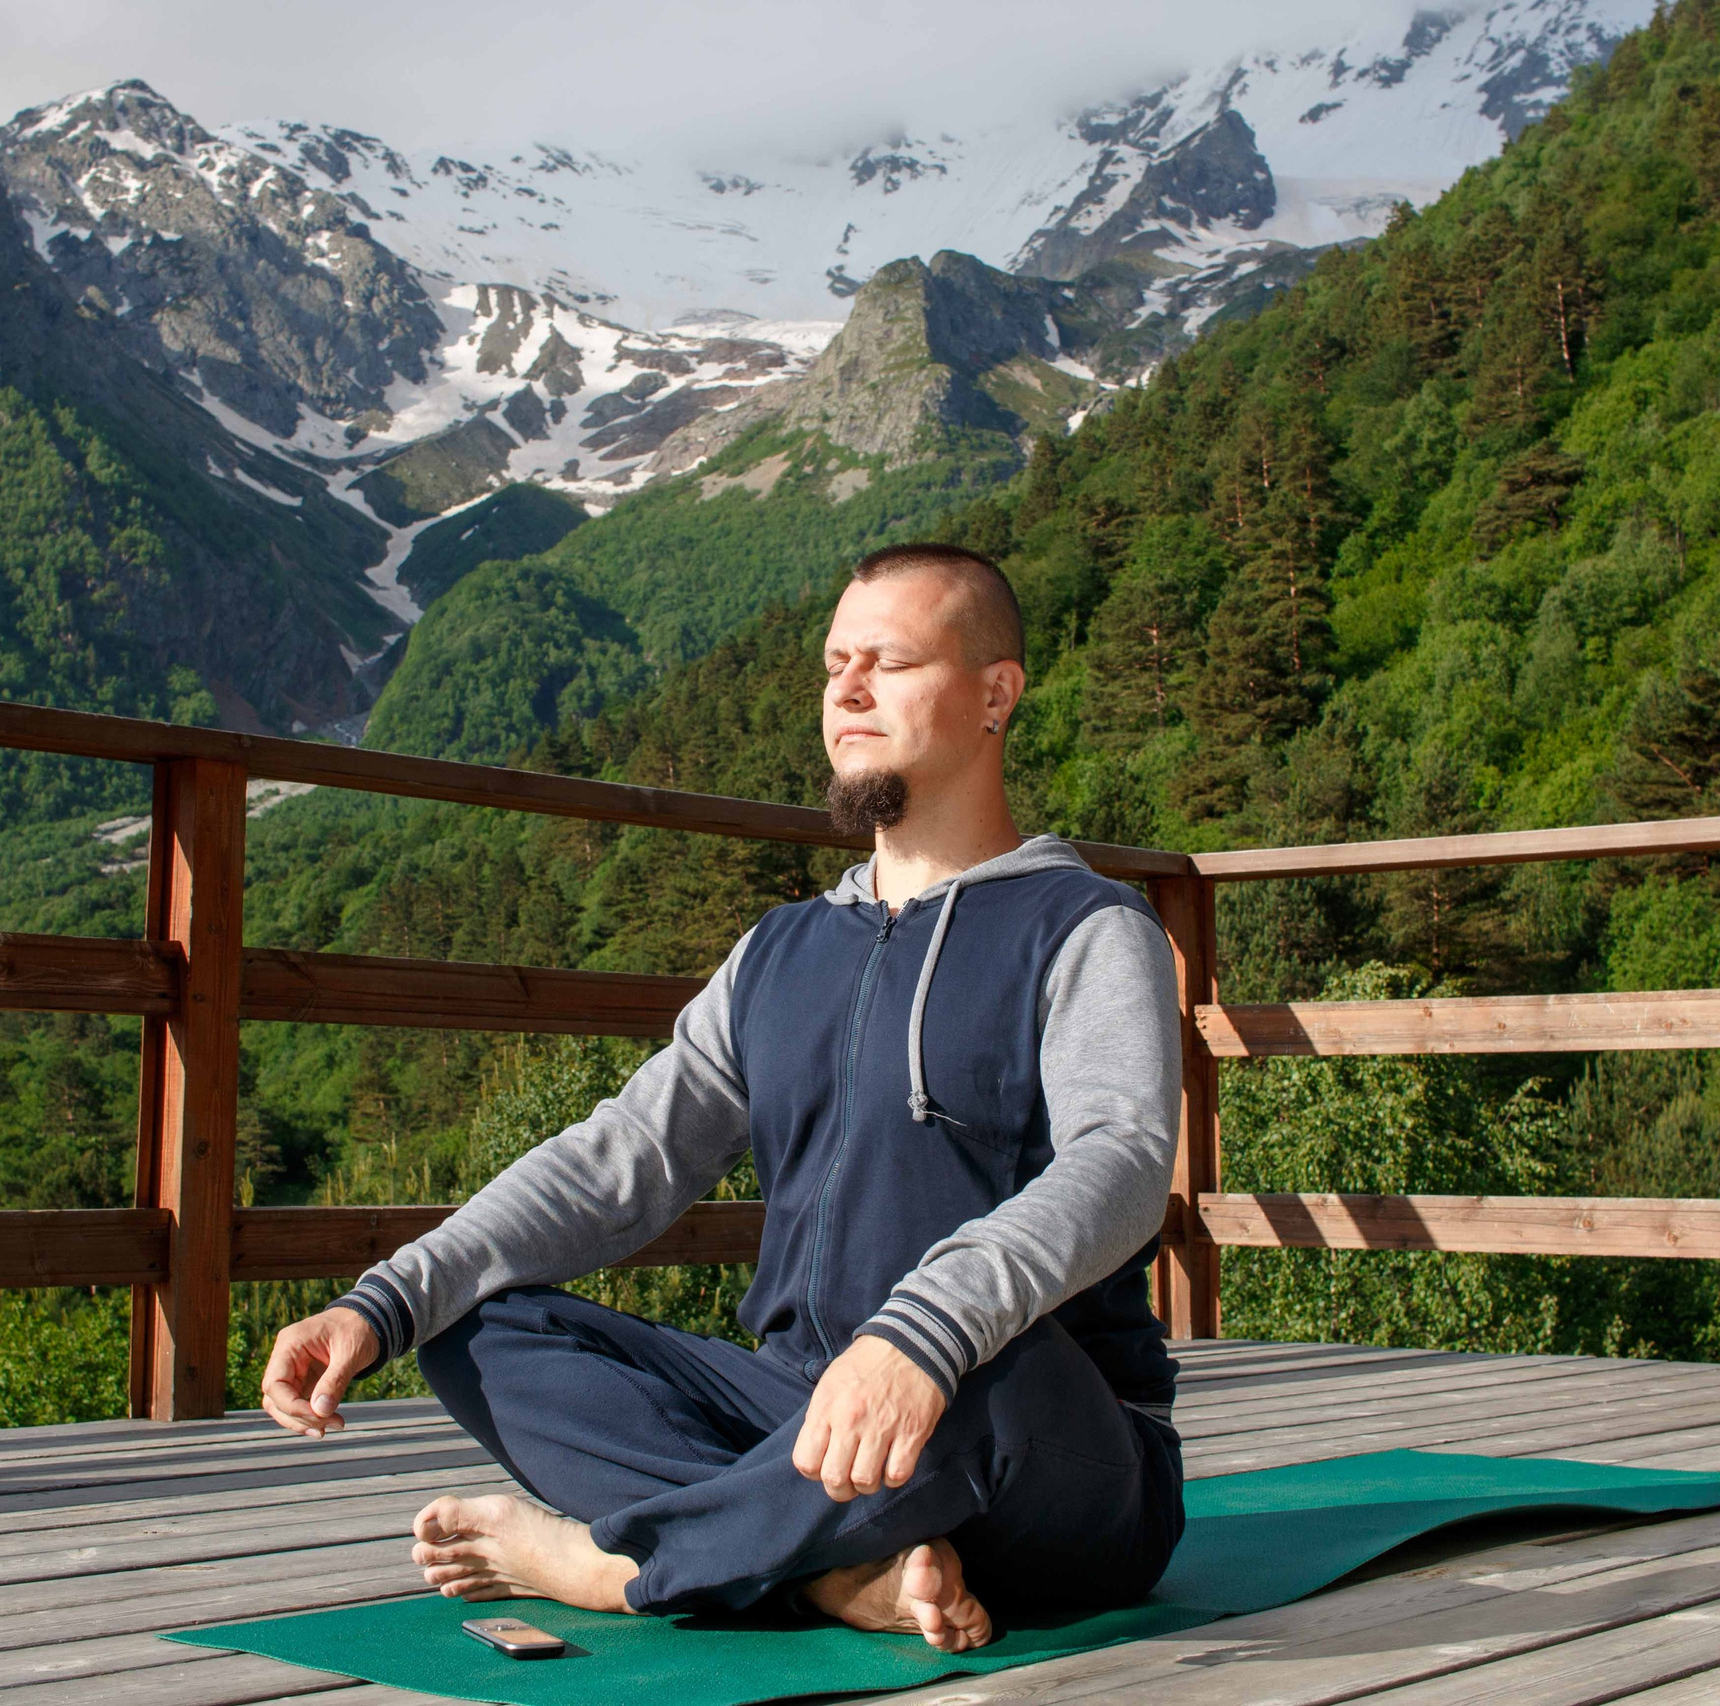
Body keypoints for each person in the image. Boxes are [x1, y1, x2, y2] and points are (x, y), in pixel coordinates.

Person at [257, 543, 1185, 1651]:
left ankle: (618, 1563)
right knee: (469, 1320)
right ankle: (833, 1572)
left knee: (991, 1369)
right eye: (836, 662)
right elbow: (622, 1157)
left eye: (886, 660)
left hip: (1044, 1440)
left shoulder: (1083, 926)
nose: (845, 689)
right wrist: (383, 1298)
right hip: (797, 1415)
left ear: (996, 692)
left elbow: (1121, 1161)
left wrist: (928, 1331)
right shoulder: (780, 950)